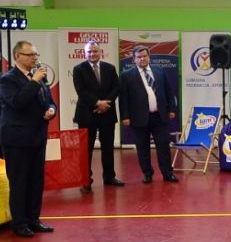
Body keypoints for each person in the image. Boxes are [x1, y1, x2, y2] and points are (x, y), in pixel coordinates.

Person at [0, 41, 56, 238]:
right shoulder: (8, 79)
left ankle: (33, 219)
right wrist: (34, 82)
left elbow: (49, 100)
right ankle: (19, 223)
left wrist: (51, 110)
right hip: (17, 139)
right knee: (19, 182)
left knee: (35, 181)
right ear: (18, 56)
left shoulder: (38, 77)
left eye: (36, 54)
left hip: (37, 137)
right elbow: (18, 102)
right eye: (30, 54)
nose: (35, 58)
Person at [119, 46, 178, 184]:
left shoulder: (159, 70)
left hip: (160, 116)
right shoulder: (126, 75)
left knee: (163, 147)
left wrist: (172, 109)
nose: (142, 59)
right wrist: (125, 117)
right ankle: (147, 174)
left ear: (149, 57)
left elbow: (169, 91)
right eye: (139, 57)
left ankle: (168, 173)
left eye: (144, 56)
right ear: (134, 59)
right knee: (142, 147)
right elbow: (123, 98)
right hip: (138, 118)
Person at [72, 40, 124, 193]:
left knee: (108, 147)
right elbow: (81, 91)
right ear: (84, 53)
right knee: (86, 149)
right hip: (87, 114)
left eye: (95, 51)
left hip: (107, 113)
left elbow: (116, 87)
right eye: (89, 51)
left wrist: (105, 103)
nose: (92, 54)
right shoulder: (78, 69)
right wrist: (97, 103)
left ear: (100, 52)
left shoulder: (110, 68)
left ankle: (109, 177)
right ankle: (86, 181)